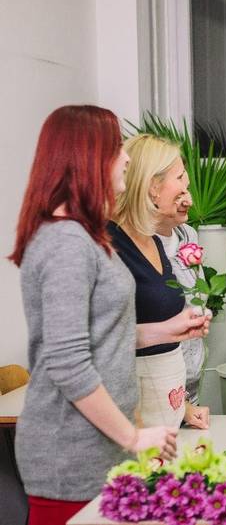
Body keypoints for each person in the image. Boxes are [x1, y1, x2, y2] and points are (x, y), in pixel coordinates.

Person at [9, 106, 179, 525]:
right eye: (117, 148)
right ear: (88, 156)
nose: (125, 158)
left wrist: (168, 330)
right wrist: (134, 437)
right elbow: (69, 363)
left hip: (102, 448)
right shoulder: (65, 242)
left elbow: (106, 336)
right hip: (71, 454)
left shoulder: (86, 237)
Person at [111, 134, 211, 429]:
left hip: (170, 401)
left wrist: (184, 406)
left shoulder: (159, 240)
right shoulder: (111, 242)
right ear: (153, 187)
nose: (187, 191)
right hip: (135, 413)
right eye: (180, 177)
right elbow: (103, 341)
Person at [149, 153, 210, 429]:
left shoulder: (188, 236)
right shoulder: (135, 246)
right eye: (180, 188)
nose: (190, 200)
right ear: (152, 188)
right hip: (154, 390)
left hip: (189, 383)